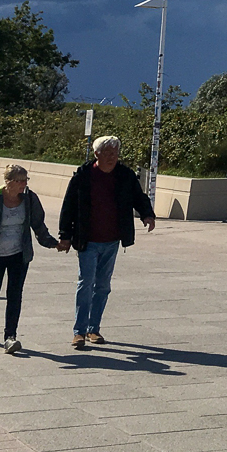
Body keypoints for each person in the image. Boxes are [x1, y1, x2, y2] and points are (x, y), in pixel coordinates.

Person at [57, 136, 155, 350]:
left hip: (112, 240)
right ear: (96, 154)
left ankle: (94, 328)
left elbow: (139, 197)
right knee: (86, 283)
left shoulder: (125, 175)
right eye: (108, 153)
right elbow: (68, 206)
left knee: (102, 286)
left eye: (115, 152)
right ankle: (79, 331)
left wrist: (147, 215)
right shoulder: (83, 176)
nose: (112, 157)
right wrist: (65, 235)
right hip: (87, 239)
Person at [0, 164, 57, 356]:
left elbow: (38, 223)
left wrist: (52, 242)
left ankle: (10, 336)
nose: (23, 184)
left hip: (19, 254)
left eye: (25, 180)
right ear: (8, 182)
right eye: (20, 181)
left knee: (15, 294)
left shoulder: (29, 198)